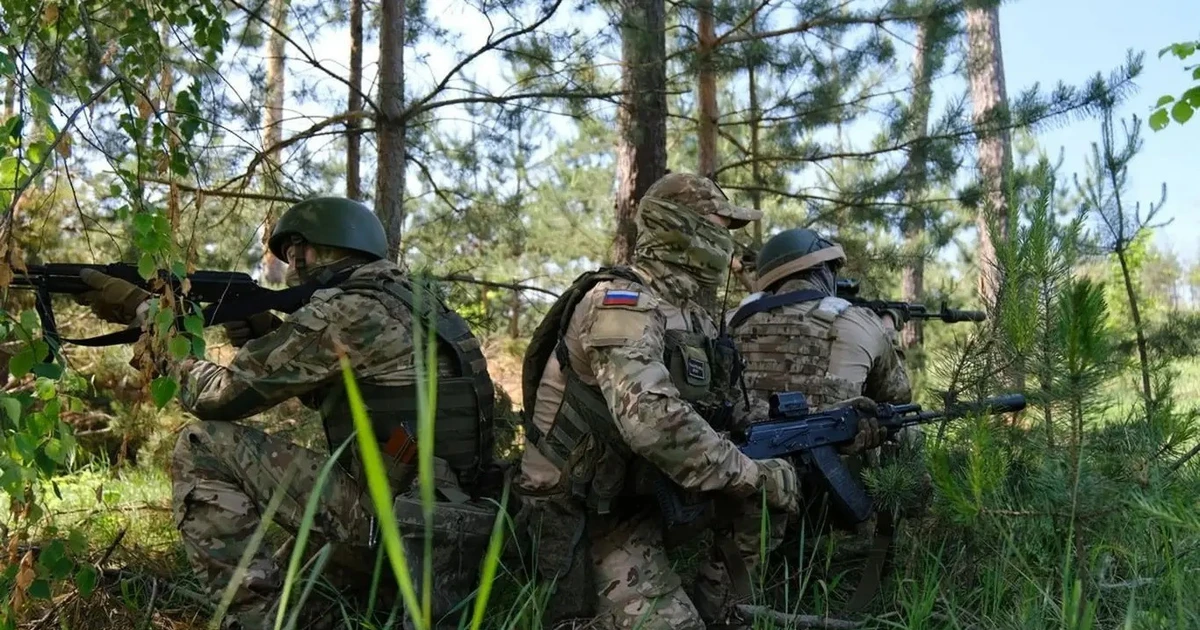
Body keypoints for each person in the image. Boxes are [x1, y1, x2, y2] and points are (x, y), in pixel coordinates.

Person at [74, 197, 500, 629]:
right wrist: (272, 334)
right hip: (448, 522)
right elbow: (351, 391)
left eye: (298, 252)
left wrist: (151, 321)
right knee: (301, 586)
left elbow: (218, 397)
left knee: (202, 444)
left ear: (319, 249)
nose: (294, 266)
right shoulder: (414, 302)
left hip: (391, 523)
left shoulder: (348, 310)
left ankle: (258, 622)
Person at [513, 173, 883, 630]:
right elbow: (651, 420)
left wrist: (830, 425)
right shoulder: (620, 303)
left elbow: (731, 412)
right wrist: (751, 474)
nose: (728, 242)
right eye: (719, 226)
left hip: (644, 488)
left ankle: (724, 609)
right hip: (583, 507)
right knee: (756, 486)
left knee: (768, 488)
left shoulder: (695, 317)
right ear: (681, 227)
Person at [726, 227, 916, 611]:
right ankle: (885, 558)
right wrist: (886, 333)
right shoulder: (859, 322)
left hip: (739, 489)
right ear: (823, 271)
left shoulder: (729, 321)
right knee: (904, 431)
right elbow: (896, 398)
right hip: (829, 500)